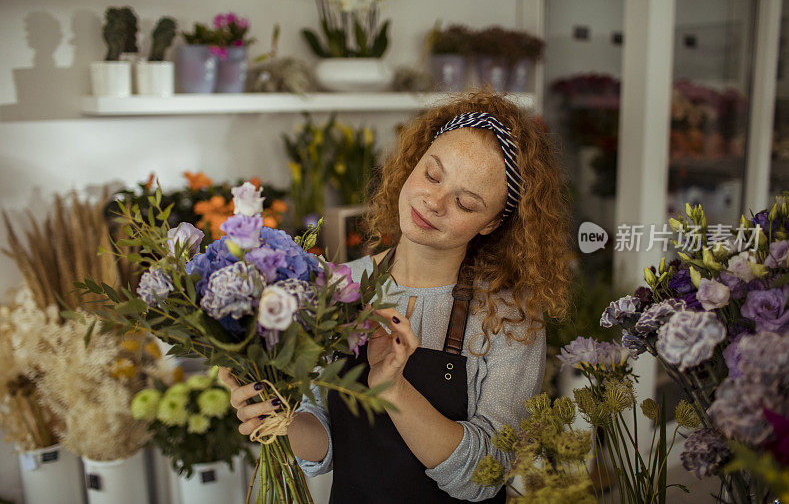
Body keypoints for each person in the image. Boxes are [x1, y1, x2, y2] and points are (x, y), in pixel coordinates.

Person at [219, 87, 573, 502]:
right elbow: (322, 447)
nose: (434, 202)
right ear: (413, 162)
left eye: (465, 202)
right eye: (432, 174)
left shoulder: (510, 316)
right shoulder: (337, 285)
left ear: (492, 224)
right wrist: (279, 417)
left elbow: (485, 475)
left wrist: (393, 389)